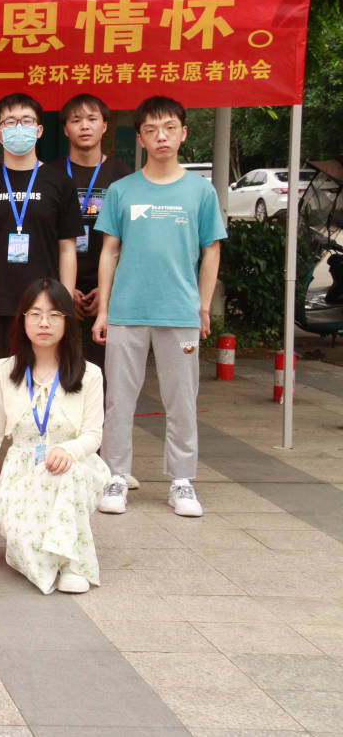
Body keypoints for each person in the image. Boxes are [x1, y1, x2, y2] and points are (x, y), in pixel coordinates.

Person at [94, 96, 226, 518]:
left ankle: (182, 480)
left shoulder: (200, 191)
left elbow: (211, 251)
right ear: (141, 139)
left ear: (183, 133)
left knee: (182, 398)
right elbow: (109, 250)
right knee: (118, 400)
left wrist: (203, 307)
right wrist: (103, 310)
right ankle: (115, 475)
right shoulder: (122, 190)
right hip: (127, 311)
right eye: (151, 130)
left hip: (180, 311)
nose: (161, 136)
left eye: (169, 128)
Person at [0, 278, 109, 594]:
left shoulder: (90, 374)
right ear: (23, 319)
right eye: (36, 314)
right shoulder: (3, 371)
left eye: (54, 315)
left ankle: (72, 565)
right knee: (31, 553)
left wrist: (68, 451)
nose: (44, 323)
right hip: (22, 476)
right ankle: (52, 556)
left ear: (67, 322)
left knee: (67, 475)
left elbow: (93, 435)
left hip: (74, 467)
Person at [0, 93, 82, 441]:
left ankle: (38, 459)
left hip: (43, 308)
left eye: (27, 121)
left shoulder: (59, 183)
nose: (19, 128)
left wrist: (65, 306)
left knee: (43, 383)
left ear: (40, 130)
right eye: (10, 122)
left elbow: (68, 247)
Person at [42, 93, 134, 372]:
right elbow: (43, 234)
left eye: (92, 119)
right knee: (58, 369)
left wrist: (107, 290)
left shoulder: (122, 175)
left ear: (104, 126)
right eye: (76, 120)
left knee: (101, 373)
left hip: (106, 287)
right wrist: (64, 289)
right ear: (65, 129)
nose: (84, 126)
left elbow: (130, 239)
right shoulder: (49, 174)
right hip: (56, 285)